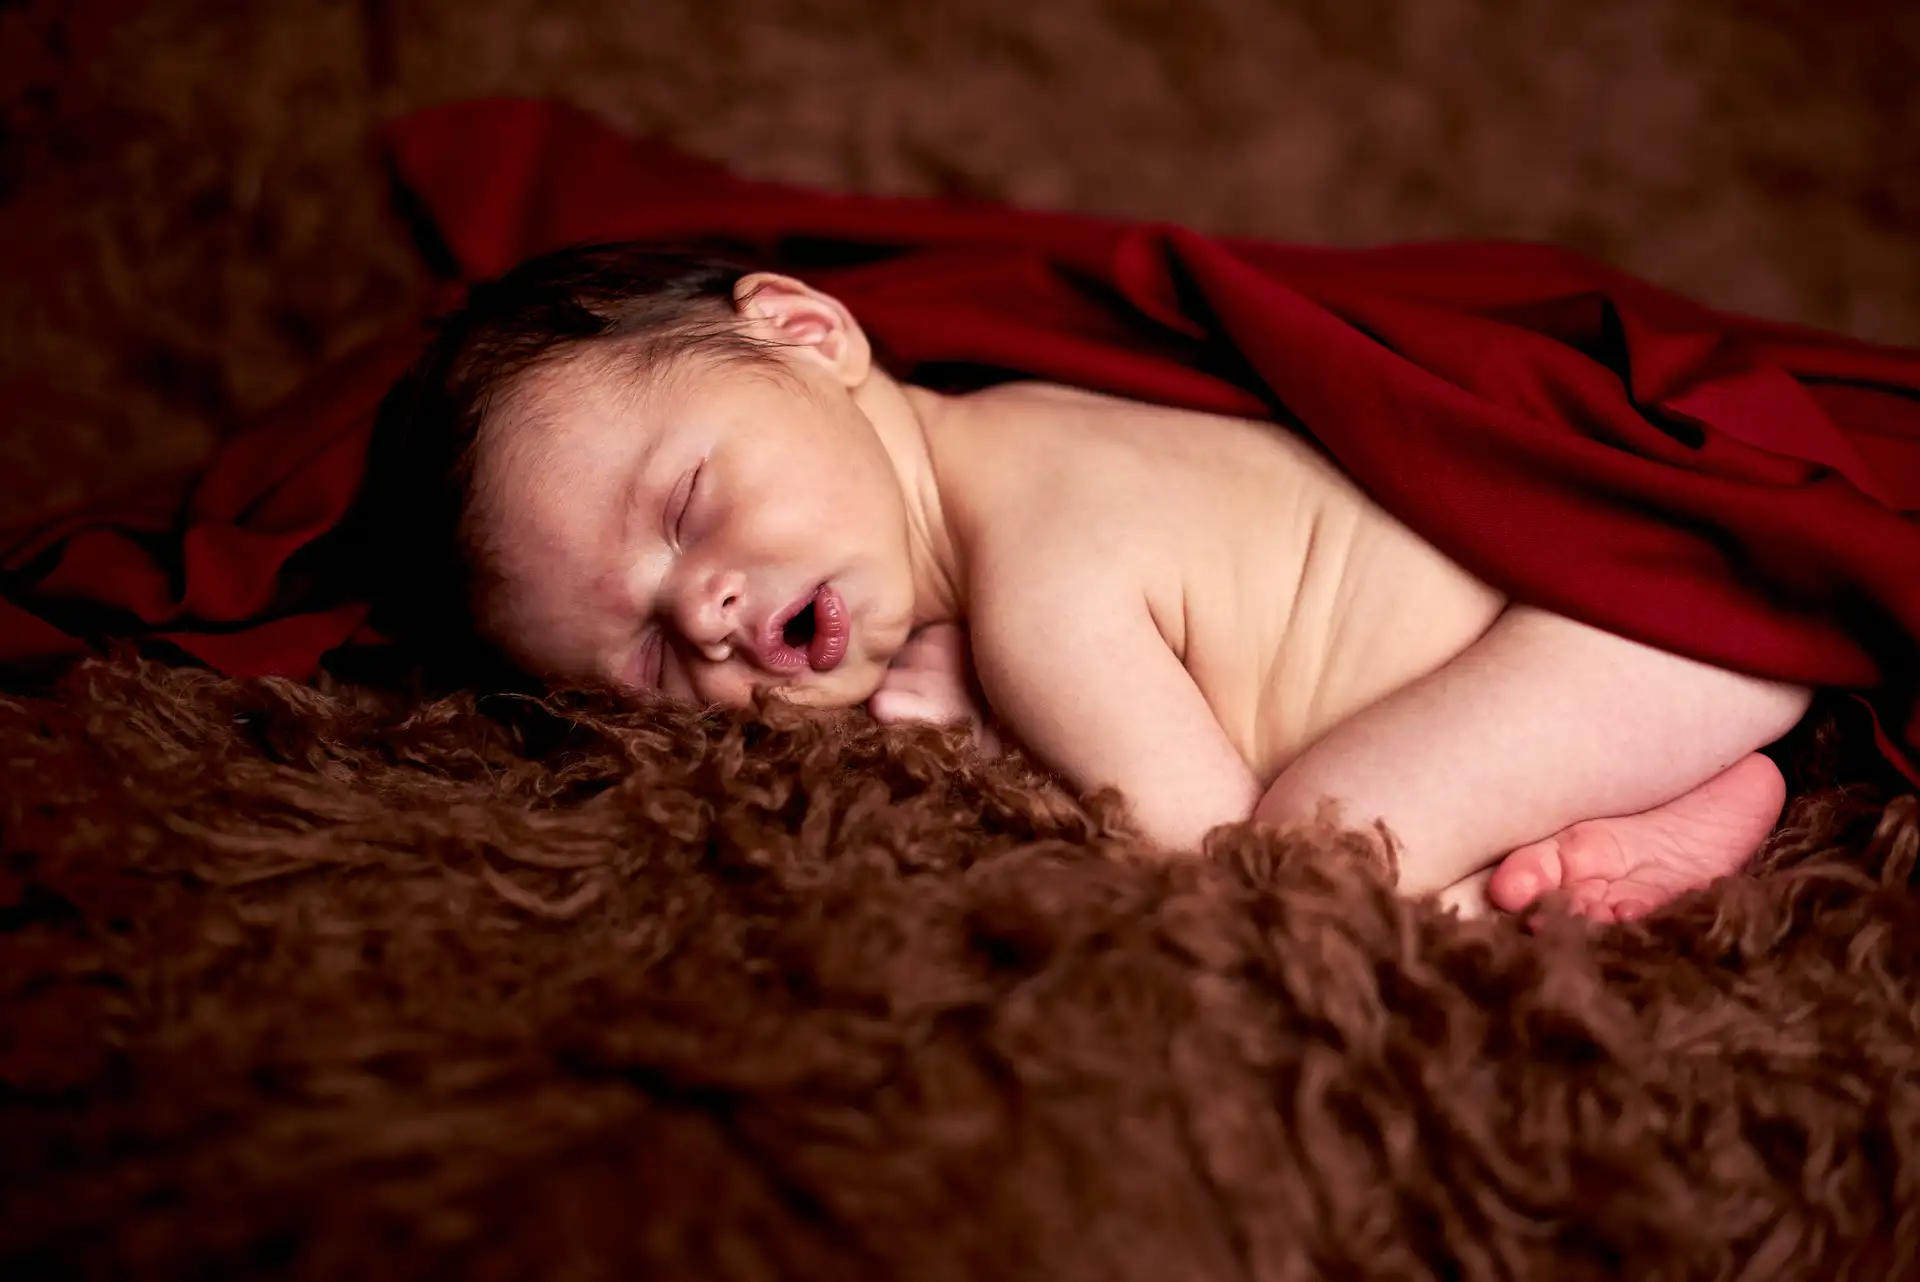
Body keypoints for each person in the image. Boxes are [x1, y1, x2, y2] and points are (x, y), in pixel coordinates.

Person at [362, 242, 1812, 920]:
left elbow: (1201, 848)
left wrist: (1001, 735)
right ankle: (1675, 801)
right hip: (1630, 656)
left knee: (1308, 855)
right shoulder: (1022, 426)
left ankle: (1567, 878)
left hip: (1631, 627)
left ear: (810, 332)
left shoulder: (1042, 583)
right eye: (646, 663)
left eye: (686, 505)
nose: (703, 612)